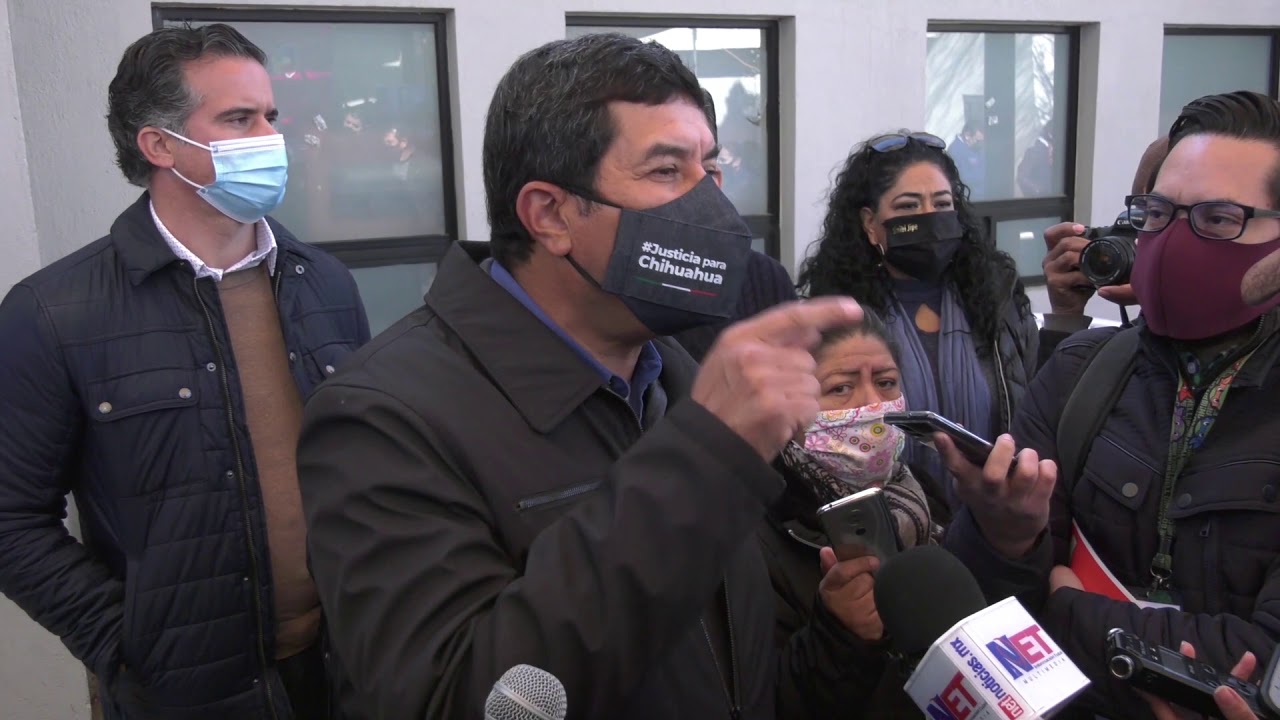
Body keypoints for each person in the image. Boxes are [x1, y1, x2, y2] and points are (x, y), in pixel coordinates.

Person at [297, 33, 873, 720]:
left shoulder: (678, 376)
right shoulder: (383, 419)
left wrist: (839, 637)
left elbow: (728, 681)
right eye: (666, 170)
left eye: (711, 167)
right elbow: (463, 700)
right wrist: (703, 459)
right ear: (550, 215)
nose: (713, 208)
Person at [0, 24, 369, 719]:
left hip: (346, 670)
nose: (271, 139)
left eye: (271, 116)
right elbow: (11, 519)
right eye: (239, 119)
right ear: (159, 145)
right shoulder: (53, 313)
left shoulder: (325, 283)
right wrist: (126, 648)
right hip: (187, 697)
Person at [940, 90, 1280, 719]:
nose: (1173, 241)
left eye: (1216, 218)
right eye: (1158, 212)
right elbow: (985, 619)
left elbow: (1266, 663)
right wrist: (1005, 537)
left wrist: (1070, 609)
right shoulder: (1081, 371)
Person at [796, 131, 1038, 519]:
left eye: (941, 204)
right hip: (891, 523)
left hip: (997, 520)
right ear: (871, 223)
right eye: (909, 206)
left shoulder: (998, 303)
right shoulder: (838, 318)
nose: (929, 217)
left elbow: (1034, 411)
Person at [760, 307, 935, 716]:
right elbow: (766, 698)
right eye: (841, 388)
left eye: (886, 382)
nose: (873, 404)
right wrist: (839, 636)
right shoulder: (759, 530)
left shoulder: (928, 493)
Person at [672, 88, 797, 363]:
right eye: (667, 170)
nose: (699, 189)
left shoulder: (763, 278)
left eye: (708, 170)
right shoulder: (608, 294)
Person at [1039, 136, 1170, 359]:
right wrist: (1066, 316)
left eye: (1158, 213)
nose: (1142, 234)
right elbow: (1062, 382)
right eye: (1139, 209)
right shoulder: (1116, 353)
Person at [947, 123, 987, 200]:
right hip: (970, 197)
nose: (980, 144)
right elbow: (960, 177)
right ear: (967, 136)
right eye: (977, 140)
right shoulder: (955, 150)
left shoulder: (973, 148)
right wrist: (985, 176)